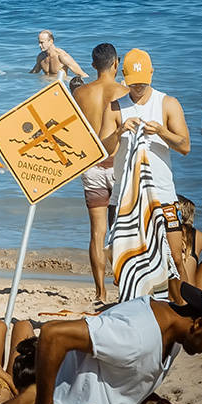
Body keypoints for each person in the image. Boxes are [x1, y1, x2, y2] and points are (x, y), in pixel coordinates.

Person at [0, 282, 202, 404]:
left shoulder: (174, 334)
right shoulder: (136, 334)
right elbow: (53, 334)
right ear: (199, 323)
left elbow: (121, 382)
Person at [103, 48, 191, 301]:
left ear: (152, 73)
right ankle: (132, 307)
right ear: (124, 77)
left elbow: (185, 146)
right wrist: (119, 132)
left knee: (174, 257)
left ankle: (183, 309)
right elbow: (104, 149)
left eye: (143, 83)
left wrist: (162, 132)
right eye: (133, 83)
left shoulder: (167, 103)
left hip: (163, 193)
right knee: (124, 258)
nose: (138, 88)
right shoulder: (116, 107)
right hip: (123, 196)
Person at [72, 42, 128, 303]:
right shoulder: (125, 92)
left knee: (97, 232)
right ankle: (124, 288)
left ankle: (100, 292)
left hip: (92, 166)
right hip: (118, 166)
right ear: (116, 63)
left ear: (93, 65)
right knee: (123, 230)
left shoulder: (81, 93)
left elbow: (72, 131)